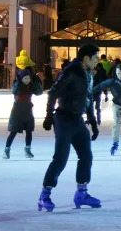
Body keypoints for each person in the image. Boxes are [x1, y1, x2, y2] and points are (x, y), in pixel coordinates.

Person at [39, 44, 101, 212]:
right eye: (95, 58)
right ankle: (45, 195)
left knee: (86, 156)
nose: (97, 62)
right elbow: (53, 92)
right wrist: (49, 115)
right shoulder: (70, 72)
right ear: (86, 58)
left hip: (77, 120)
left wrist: (93, 122)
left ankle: (82, 193)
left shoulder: (88, 74)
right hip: (63, 118)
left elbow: (87, 99)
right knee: (61, 158)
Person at [4, 68, 43, 160]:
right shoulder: (17, 84)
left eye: (28, 78)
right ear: (21, 78)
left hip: (28, 111)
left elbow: (39, 92)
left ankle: (28, 149)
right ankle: (7, 149)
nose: (27, 80)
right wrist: (19, 81)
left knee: (29, 131)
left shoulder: (31, 86)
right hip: (17, 112)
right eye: (25, 78)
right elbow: (15, 90)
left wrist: (37, 81)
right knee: (13, 132)